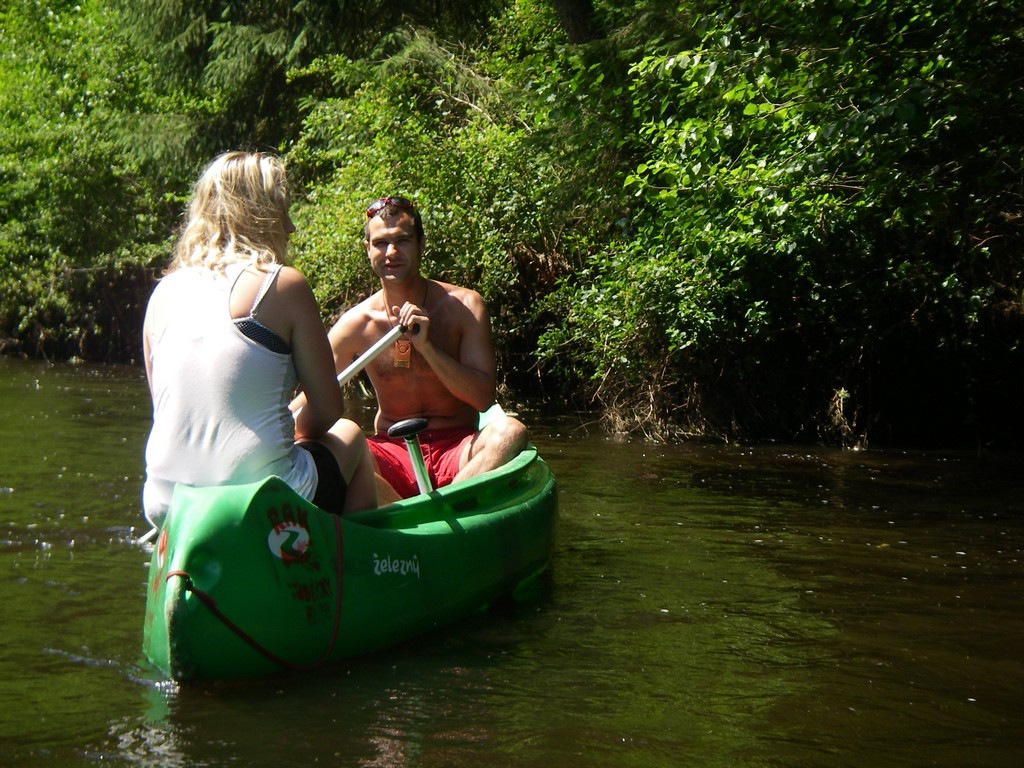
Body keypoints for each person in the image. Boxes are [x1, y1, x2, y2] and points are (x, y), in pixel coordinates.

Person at [141, 151, 377, 530]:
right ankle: (351, 559)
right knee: (351, 437)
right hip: (258, 499)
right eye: (283, 210)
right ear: (261, 215)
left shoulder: (162, 295)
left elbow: (170, 409)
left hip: (165, 501)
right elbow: (328, 411)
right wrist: (291, 430)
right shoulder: (282, 284)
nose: (291, 227)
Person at [310, 195, 529, 502]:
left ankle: (443, 506)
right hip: (390, 452)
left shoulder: (465, 306)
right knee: (334, 442)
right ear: (367, 249)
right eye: (381, 243)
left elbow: (482, 399)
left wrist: (426, 348)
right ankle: (411, 511)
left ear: (421, 244)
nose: (391, 252)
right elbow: (311, 398)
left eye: (402, 240)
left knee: (511, 432)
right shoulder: (355, 325)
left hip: (458, 448)